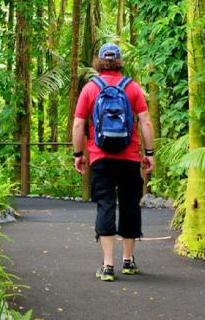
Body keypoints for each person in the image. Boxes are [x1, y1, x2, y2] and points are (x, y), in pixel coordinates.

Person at [72, 42, 155, 282]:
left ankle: (108, 266)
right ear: (119, 61)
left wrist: (79, 155)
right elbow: (145, 122)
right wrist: (149, 153)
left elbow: (78, 124)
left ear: (99, 62)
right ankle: (127, 261)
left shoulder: (90, 88)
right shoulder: (133, 88)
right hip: (129, 157)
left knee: (106, 205)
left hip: (100, 157)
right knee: (130, 204)